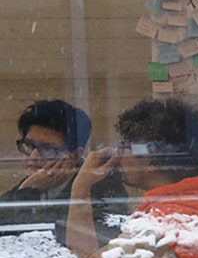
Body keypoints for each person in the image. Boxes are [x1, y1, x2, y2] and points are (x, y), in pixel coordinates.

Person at [65, 98, 198, 258]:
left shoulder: (161, 228)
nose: (117, 155)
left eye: (123, 146)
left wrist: (81, 187)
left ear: (148, 157)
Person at [0, 99, 126, 246]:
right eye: (28, 145)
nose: (33, 156)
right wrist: (26, 191)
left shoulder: (102, 186)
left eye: (47, 148)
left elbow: (69, 239)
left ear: (74, 155)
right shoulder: (34, 181)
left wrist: (30, 191)